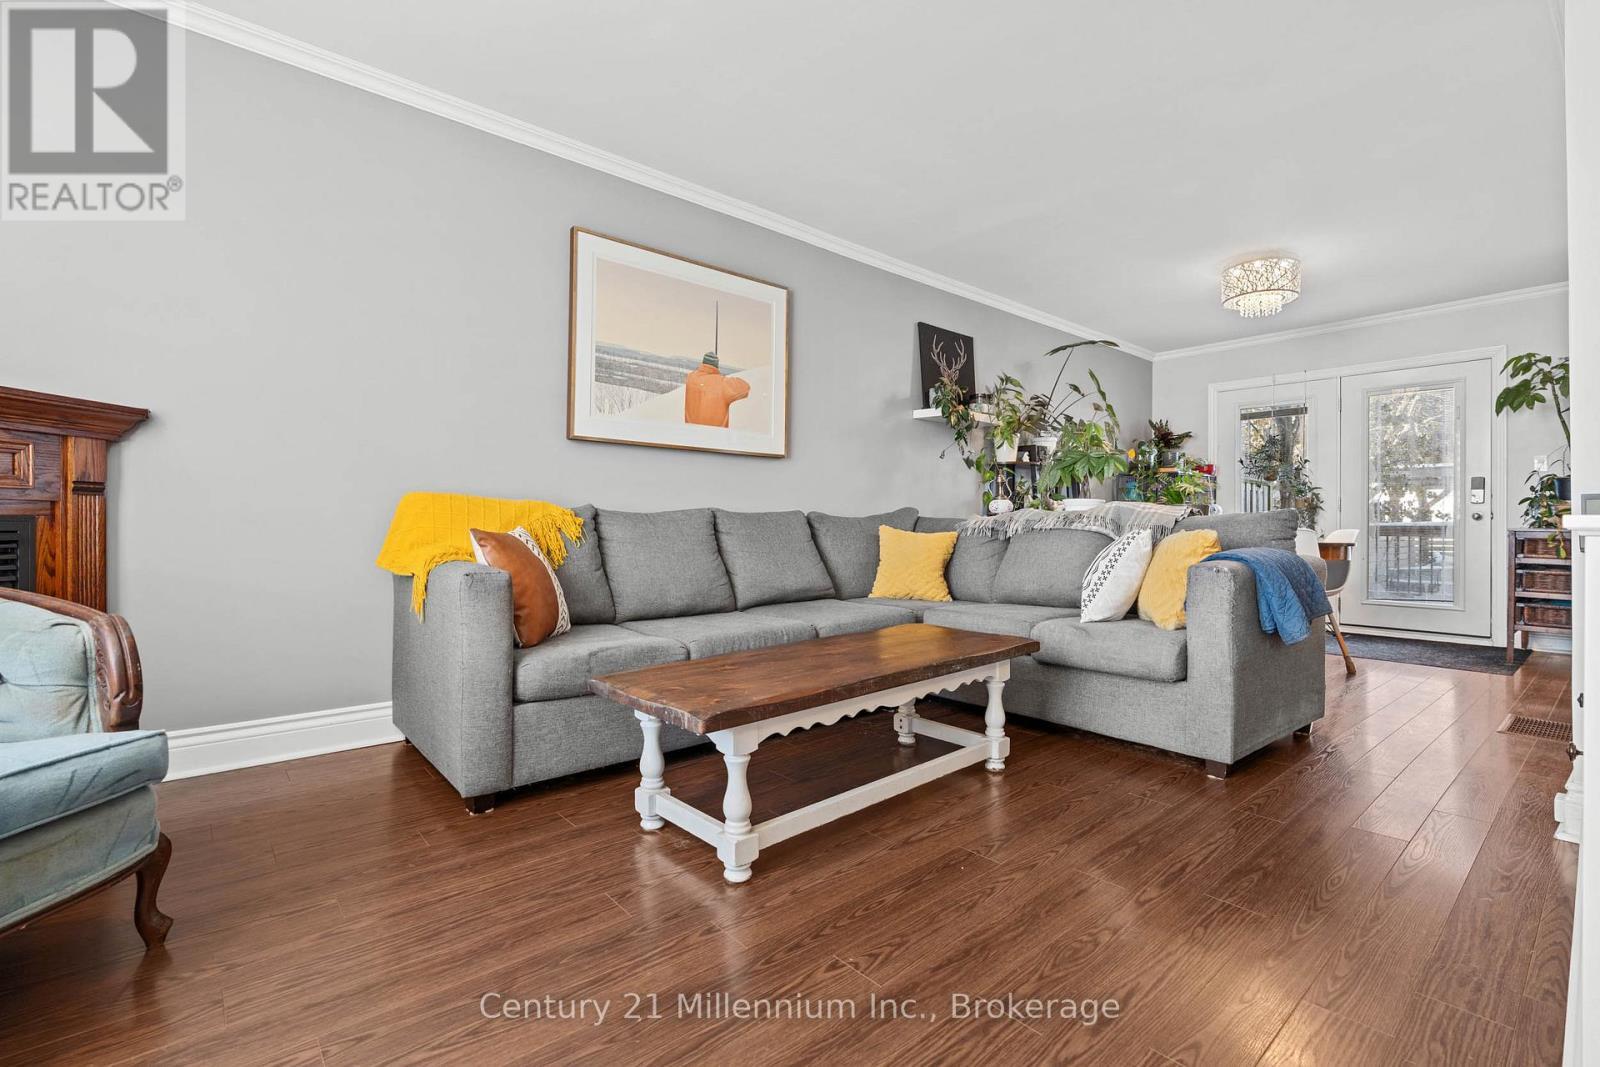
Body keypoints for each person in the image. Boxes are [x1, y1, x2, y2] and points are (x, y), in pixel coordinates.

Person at [683, 352, 750, 428]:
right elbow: (745, 387)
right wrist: (722, 378)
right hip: (715, 434)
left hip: (691, 432)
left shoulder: (691, 378)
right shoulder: (723, 383)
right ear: (716, 365)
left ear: (703, 363)